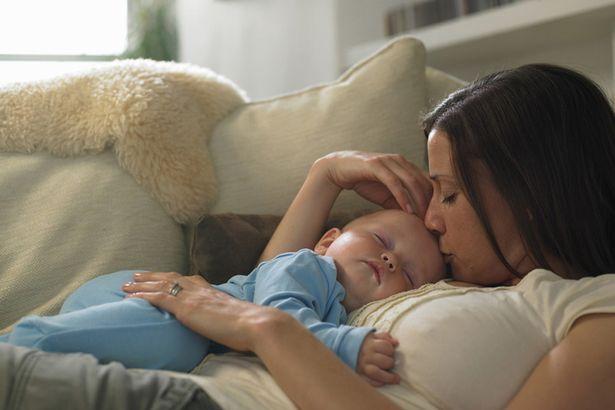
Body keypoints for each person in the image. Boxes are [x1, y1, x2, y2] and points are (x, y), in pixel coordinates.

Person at [121, 64, 615, 409]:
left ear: (529, 193)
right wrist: (325, 176)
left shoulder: (593, 308)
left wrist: (262, 328)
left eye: (449, 195)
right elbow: (278, 275)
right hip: (158, 385)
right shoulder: (432, 269)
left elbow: (264, 313)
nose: (431, 220)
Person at [0, 208, 446, 386]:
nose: (388, 259)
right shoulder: (309, 267)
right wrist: (343, 347)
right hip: (156, 300)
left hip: (134, 317)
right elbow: (277, 315)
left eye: (406, 271)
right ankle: (17, 346)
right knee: (179, 340)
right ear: (328, 240)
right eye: (380, 239)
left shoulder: (339, 308)